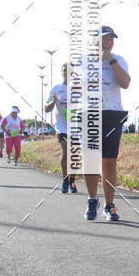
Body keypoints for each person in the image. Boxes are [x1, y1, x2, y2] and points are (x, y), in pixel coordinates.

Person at [79, 26, 130, 221]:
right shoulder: (84, 61)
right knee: (91, 159)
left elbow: (125, 83)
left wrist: (111, 60)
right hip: (90, 112)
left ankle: (109, 205)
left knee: (109, 160)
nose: (108, 43)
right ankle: (92, 199)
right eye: (103, 39)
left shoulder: (118, 59)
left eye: (111, 39)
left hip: (112, 113)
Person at [45, 63, 78, 193]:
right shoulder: (56, 89)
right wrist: (53, 102)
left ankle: (72, 181)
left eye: (69, 70)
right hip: (62, 127)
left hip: (76, 127)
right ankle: (65, 179)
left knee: (74, 155)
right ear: (62, 72)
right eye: (64, 69)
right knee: (66, 151)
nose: (66, 72)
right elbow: (46, 109)